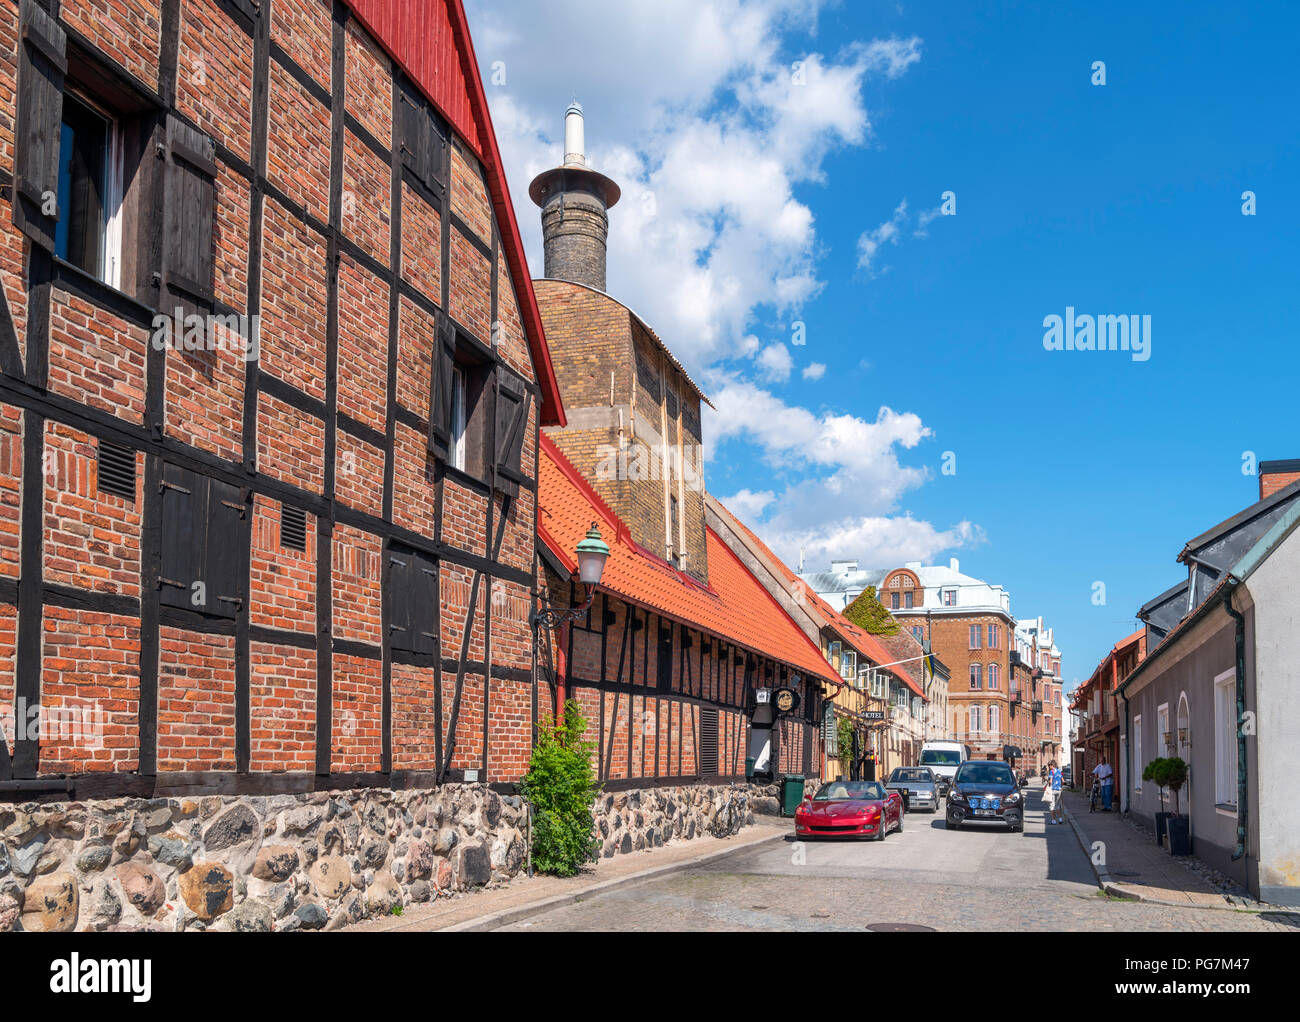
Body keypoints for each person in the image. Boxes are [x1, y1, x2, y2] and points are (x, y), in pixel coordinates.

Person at [1045, 760, 1065, 824]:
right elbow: (1063, 781)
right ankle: (1060, 819)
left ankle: (1053, 821)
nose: (1049, 767)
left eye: (1049, 765)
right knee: (1058, 805)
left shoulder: (1051, 771)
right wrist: (1060, 787)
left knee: (1052, 805)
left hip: (1053, 790)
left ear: (1052, 765)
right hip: (1059, 790)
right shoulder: (1059, 771)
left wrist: (1048, 784)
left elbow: (1050, 781)